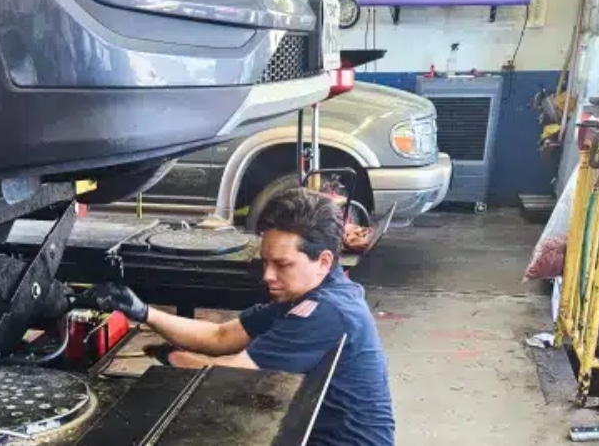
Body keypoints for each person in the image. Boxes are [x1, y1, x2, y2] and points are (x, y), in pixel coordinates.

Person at [83, 187, 395, 446]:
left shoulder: (328, 311)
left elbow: (233, 375)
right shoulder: (311, 293)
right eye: (265, 261)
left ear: (324, 261)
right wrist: (143, 311)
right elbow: (222, 337)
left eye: (282, 264)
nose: (268, 276)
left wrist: (175, 358)